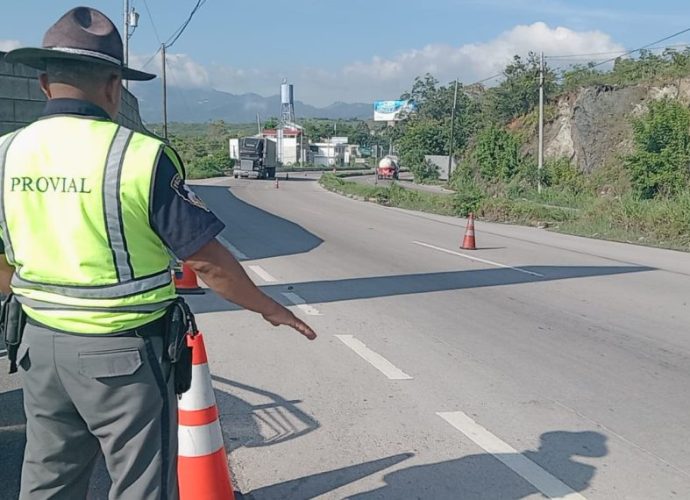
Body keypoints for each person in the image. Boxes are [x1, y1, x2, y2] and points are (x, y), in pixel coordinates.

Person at [0, 6, 316, 499]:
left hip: (37, 345)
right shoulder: (139, 156)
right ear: (113, 86)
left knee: (49, 478)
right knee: (141, 483)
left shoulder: (5, 153)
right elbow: (207, 262)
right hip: (123, 355)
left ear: (44, 84)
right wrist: (269, 307)